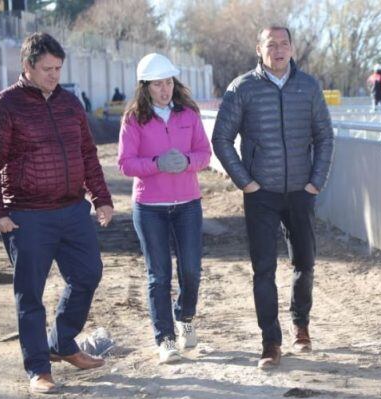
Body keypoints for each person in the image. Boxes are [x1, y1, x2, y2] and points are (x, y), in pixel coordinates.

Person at [0, 32, 114, 394]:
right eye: (47, 69)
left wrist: (101, 198)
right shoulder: (4, 106)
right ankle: (38, 369)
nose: (54, 75)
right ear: (27, 66)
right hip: (27, 215)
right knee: (30, 295)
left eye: (58, 68)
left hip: (71, 210)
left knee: (88, 274)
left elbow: (87, 154)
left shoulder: (70, 104)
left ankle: (61, 342)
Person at [212, 25, 334, 369]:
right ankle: (270, 341)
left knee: (305, 262)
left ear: (293, 48)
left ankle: (301, 324)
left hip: (301, 190)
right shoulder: (242, 88)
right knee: (263, 269)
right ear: (259, 49)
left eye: (284, 44)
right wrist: (246, 182)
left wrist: (316, 181)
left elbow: (325, 136)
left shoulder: (308, 87)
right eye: (271, 44)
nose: (278, 50)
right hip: (260, 193)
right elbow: (221, 138)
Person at [117, 53, 211, 364]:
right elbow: (125, 163)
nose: (164, 89)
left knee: (191, 270)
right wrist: (156, 165)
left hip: (187, 205)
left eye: (168, 82)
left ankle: (185, 317)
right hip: (150, 208)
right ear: (145, 87)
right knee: (159, 274)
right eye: (157, 84)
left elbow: (204, 153)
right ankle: (166, 338)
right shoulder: (133, 120)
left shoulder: (188, 115)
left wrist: (187, 162)